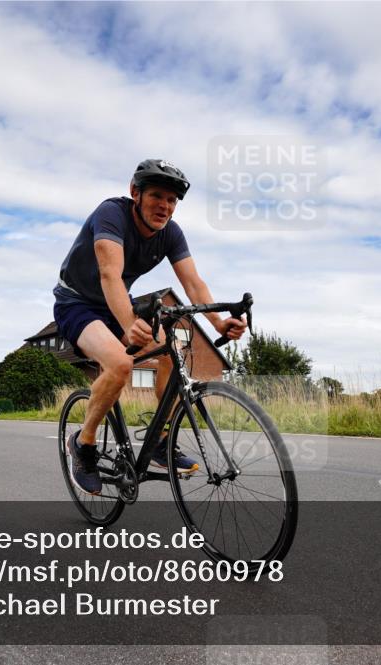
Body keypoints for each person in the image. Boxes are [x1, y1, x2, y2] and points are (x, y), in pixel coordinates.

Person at [53, 159, 246, 495]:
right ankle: (83, 444)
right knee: (121, 363)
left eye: (172, 200)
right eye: (157, 195)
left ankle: (158, 441)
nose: (165, 206)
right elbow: (110, 274)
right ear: (135, 193)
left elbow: (193, 283)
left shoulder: (170, 233)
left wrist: (218, 321)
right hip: (78, 304)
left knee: (172, 350)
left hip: (118, 303)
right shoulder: (111, 214)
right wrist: (129, 324)